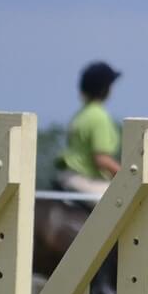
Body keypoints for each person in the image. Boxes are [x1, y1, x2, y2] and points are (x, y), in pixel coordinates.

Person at [54, 61, 122, 197]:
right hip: (85, 179)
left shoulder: (81, 114)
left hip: (68, 177)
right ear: (105, 88)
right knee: (121, 202)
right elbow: (102, 159)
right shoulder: (99, 117)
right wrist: (129, 177)